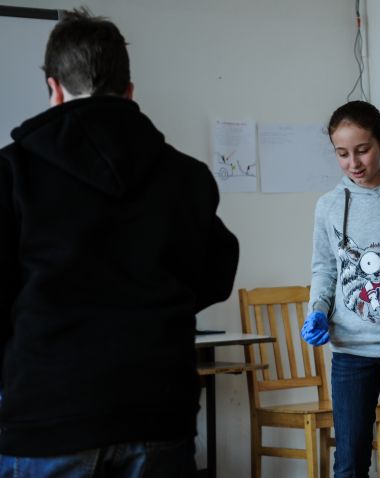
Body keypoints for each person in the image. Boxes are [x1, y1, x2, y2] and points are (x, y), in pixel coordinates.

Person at [0, 9, 239, 477]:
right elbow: (216, 273)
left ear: (53, 88)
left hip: (47, 414)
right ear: (129, 91)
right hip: (158, 409)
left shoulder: (13, 172)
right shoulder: (185, 176)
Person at [301, 101, 380, 478]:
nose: (353, 163)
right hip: (350, 348)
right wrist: (318, 310)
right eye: (342, 154)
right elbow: (325, 268)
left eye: (362, 150)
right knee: (349, 461)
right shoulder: (328, 206)